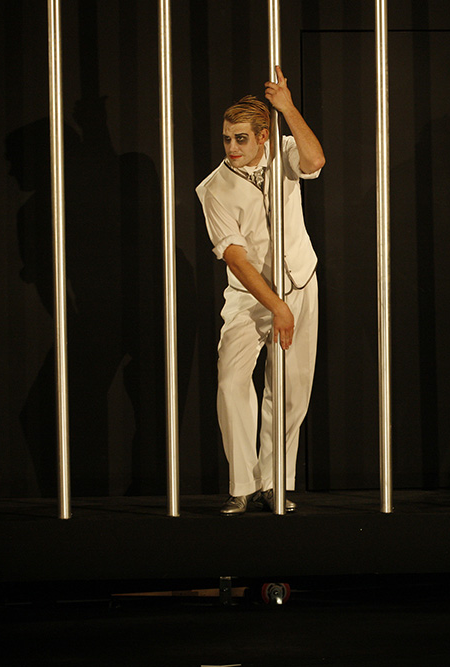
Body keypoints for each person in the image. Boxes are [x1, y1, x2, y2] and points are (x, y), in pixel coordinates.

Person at [196, 66, 326, 515]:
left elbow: (315, 161)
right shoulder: (214, 189)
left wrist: (286, 108)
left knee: (289, 390)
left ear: (262, 137)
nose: (231, 147)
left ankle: (274, 483)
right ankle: (242, 485)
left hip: (299, 280)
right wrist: (276, 307)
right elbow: (236, 258)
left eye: (240, 139)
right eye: (226, 139)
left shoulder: (283, 151)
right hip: (250, 295)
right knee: (232, 381)